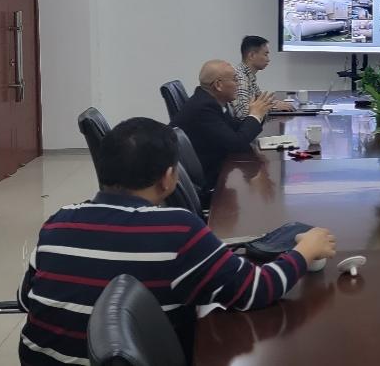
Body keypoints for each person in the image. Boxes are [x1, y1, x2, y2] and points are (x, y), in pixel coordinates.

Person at [18, 117, 336, 365]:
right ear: (169, 178)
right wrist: (304, 251)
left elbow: (25, 299)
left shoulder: (58, 220)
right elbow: (256, 290)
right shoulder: (176, 229)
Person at [173, 59, 276, 189]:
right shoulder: (204, 108)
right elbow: (237, 144)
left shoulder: (212, 100)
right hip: (209, 179)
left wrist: (256, 114)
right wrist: (255, 115)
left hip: (217, 166)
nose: (238, 85)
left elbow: (235, 128)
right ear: (218, 85)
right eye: (235, 80)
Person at [230, 35, 294, 117]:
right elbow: (243, 113)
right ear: (252, 55)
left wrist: (275, 103)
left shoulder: (249, 76)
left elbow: (260, 100)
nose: (268, 59)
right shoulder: (241, 78)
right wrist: (273, 107)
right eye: (265, 54)